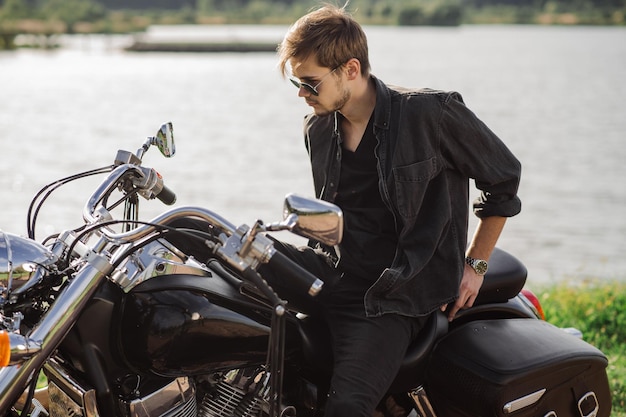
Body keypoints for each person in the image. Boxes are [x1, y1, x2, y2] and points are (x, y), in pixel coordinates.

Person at [270, 3, 522, 416]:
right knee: (231, 256)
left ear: (350, 69)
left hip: (394, 293)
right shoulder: (317, 128)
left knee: (346, 408)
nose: (302, 93)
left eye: (310, 83)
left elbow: (504, 177)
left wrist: (475, 265)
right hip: (333, 271)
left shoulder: (429, 114)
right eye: (297, 83)